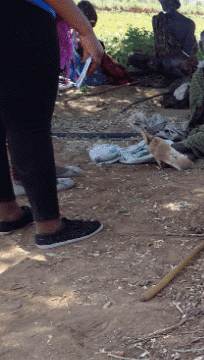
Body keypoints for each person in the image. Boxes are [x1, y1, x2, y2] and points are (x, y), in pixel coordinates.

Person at [1, 0, 104, 248]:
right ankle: (50, 227)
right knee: (29, 123)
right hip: (18, 19)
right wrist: (85, 30)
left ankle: (7, 213)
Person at [167, 25, 204, 162]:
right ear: (201, 47)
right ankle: (180, 155)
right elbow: (197, 115)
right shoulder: (198, 77)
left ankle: (173, 150)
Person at [127, 0, 198, 81]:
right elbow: (160, 49)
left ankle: (182, 78)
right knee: (133, 57)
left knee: (167, 63)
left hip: (181, 61)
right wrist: (158, 59)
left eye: (164, 1)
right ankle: (164, 72)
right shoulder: (159, 20)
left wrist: (170, 60)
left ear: (173, 2)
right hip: (162, 60)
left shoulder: (188, 23)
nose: (162, 4)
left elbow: (187, 53)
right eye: (161, 1)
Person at [71, 0, 134, 86]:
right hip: (89, 79)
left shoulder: (71, 37)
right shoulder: (85, 42)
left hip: (73, 76)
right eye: (91, 26)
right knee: (116, 76)